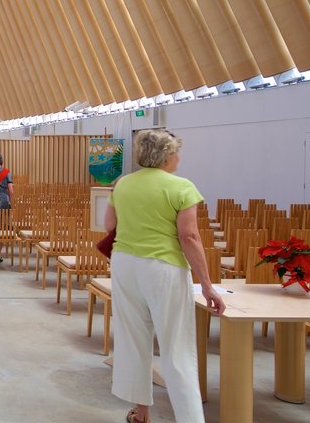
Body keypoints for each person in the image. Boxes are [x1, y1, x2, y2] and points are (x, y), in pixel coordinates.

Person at [105, 130, 225, 423]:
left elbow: (110, 225)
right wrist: (207, 285)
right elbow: (189, 236)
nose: (179, 158)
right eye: (176, 153)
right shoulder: (182, 187)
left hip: (124, 264)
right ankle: (191, 418)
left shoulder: (122, 184)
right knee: (176, 345)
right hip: (163, 267)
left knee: (133, 338)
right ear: (167, 156)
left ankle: (142, 412)